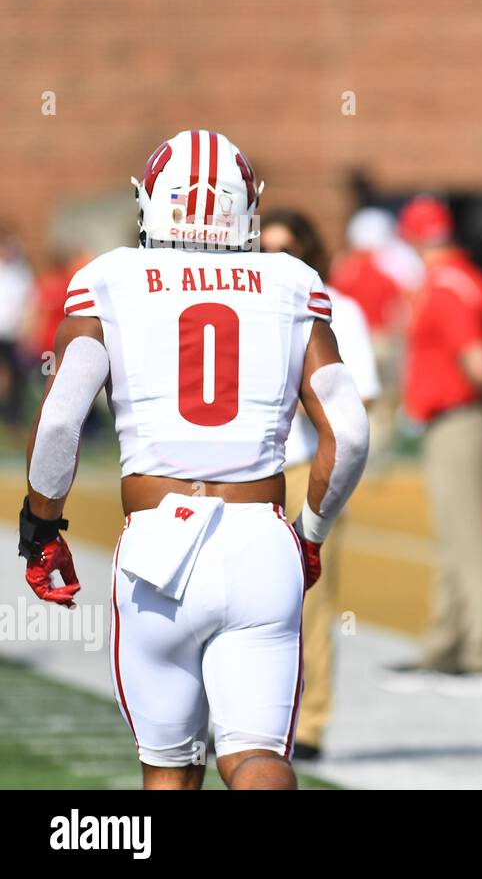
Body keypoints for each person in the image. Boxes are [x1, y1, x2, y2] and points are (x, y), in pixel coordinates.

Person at [18, 130, 369, 789]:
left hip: (157, 549)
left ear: (151, 200)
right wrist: (312, 536)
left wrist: (41, 531)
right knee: (257, 757)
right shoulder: (292, 282)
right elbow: (348, 434)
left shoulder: (110, 278)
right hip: (260, 536)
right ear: (248, 206)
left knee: (171, 772)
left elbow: (62, 419)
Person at [260, 210, 381, 758]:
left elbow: (361, 401)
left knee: (311, 599)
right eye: (265, 248)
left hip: (305, 465)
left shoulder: (334, 307)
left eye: (286, 249)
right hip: (245, 470)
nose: (274, 260)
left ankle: (309, 721)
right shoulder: (246, 300)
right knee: (242, 596)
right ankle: (250, 713)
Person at [388, 196, 482, 689]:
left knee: (469, 539)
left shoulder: (444, 288)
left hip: (457, 420)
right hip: (463, 420)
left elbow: (478, 363)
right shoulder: (464, 279)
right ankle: (446, 646)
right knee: (457, 537)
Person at [0, 223, 34, 431]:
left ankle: (11, 418)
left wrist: (26, 331)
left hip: (12, 332)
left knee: (15, 376)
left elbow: (29, 304)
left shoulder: (21, 273)